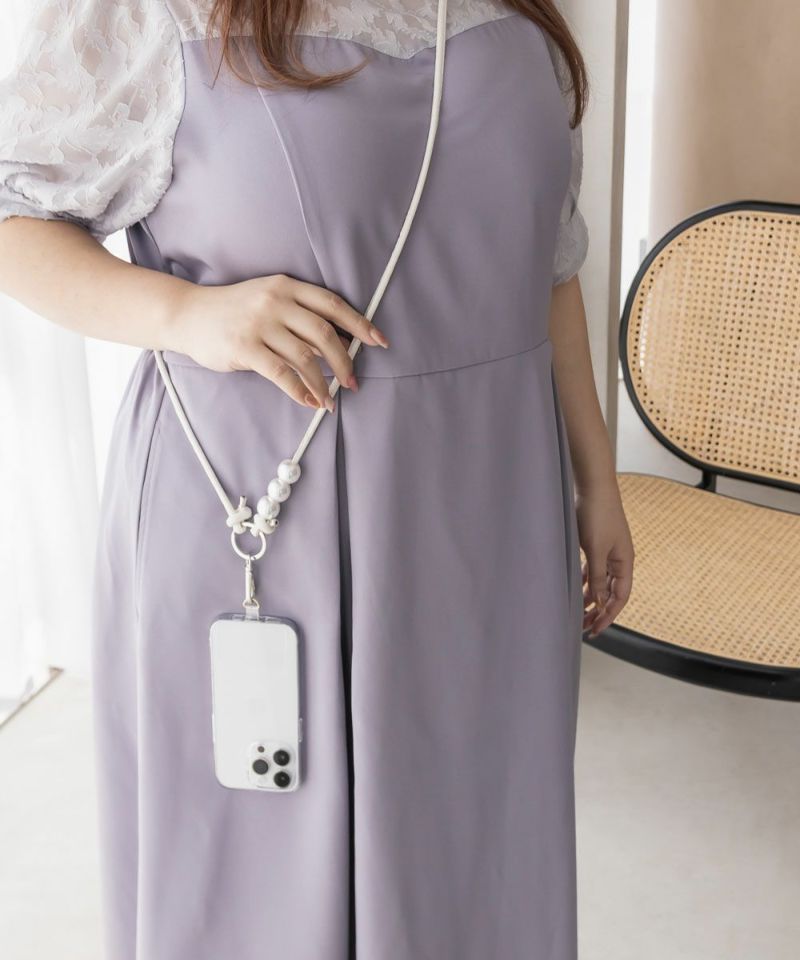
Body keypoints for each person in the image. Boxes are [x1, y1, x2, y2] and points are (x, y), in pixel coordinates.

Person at [0, 0, 634, 956]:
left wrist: (596, 480)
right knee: (263, 885)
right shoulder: (155, 13)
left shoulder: (511, 14)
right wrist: (184, 315)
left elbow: (549, 263)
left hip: (493, 509)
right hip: (262, 507)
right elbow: (14, 211)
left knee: (477, 852)